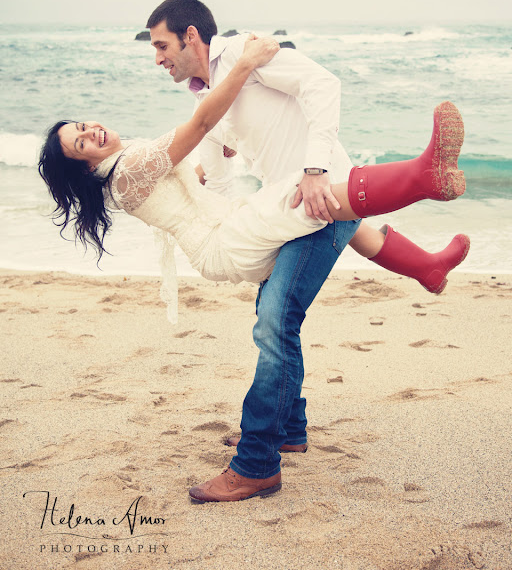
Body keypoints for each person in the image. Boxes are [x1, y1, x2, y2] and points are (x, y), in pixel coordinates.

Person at [39, 30, 469, 501]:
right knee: (303, 199)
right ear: (84, 167)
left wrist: (221, 152)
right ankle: (422, 176)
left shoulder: (129, 162)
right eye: (81, 144)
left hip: (227, 226)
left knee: (316, 227)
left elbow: (196, 171)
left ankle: (290, 423)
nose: (90, 132)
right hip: (222, 242)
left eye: (81, 126)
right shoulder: (127, 169)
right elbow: (200, 125)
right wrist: (244, 66)